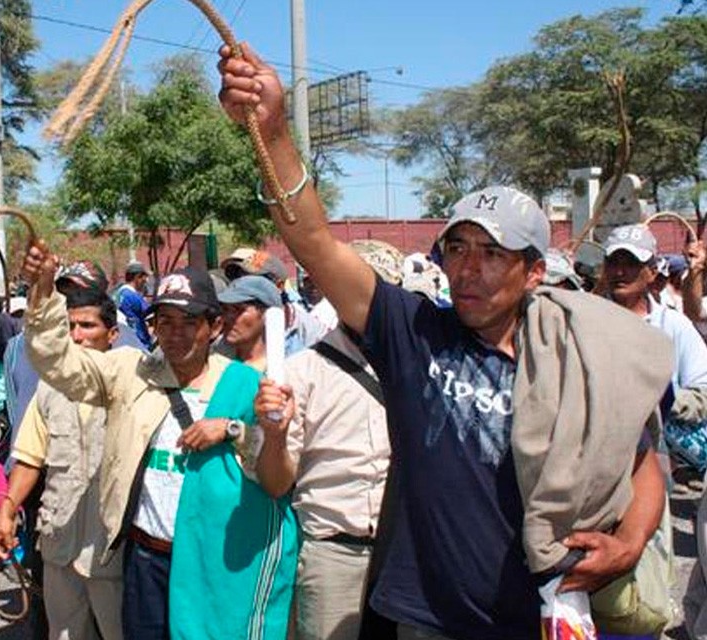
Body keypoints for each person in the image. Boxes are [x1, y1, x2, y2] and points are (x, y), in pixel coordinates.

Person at [220, 44, 670, 639]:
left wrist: (629, 543)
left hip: (541, 615)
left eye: (492, 253)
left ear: (534, 272)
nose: (468, 269)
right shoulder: (413, 334)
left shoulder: (573, 358)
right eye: (457, 249)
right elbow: (316, 244)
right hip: (429, 620)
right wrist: (275, 132)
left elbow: (640, 462)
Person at [20, 252, 299, 640]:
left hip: (209, 561)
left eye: (189, 321)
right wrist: (43, 292)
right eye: (164, 322)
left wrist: (240, 429)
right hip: (145, 559)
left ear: (215, 326)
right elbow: (58, 363)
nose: (175, 333)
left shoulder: (246, 385)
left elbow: (278, 483)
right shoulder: (130, 371)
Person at [255, 248, 393, 640]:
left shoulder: (417, 366)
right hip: (332, 558)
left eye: (379, 291)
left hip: (403, 557)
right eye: (355, 288)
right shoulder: (300, 373)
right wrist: (275, 436)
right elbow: (275, 484)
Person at [0, 288, 122, 640]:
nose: (77, 336)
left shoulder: (132, 384)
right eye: (70, 327)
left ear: (112, 334)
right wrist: (6, 511)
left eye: (88, 326)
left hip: (110, 548)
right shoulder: (49, 388)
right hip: (59, 539)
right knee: (63, 632)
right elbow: (29, 456)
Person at [600, 225, 707, 474]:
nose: (620, 272)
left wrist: (660, 400)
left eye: (631, 264)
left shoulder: (673, 325)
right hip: (599, 459)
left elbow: (702, 391)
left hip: (656, 460)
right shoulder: (583, 322)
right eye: (613, 262)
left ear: (651, 272)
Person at [216, 274, 282, 370]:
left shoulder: (285, 368)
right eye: (225, 309)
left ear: (267, 315)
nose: (228, 317)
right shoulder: (212, 361)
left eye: (238, 309)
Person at [117, 261, 153, 350]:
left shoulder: (119, 293)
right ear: (137, 277)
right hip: (138, 343)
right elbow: (151, 314)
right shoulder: (132, 296)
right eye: (145, 277)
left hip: (124, 341)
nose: (146, 281)